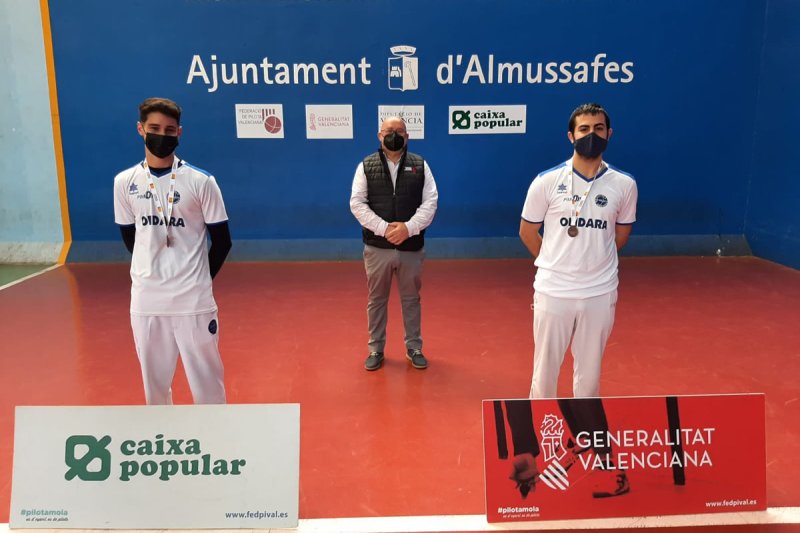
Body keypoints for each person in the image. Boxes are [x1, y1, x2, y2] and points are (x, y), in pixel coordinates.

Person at [113, 97, 232, 404]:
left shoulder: (202, 181)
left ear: (179, 133)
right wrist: (151, 270)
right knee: (154, 391)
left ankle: (215, 444)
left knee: (208, 390)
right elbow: (132, 238)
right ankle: (165, 443)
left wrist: (198, 279)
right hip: (147, 301)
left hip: (193, 302)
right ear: (140, 129)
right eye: (154, 128)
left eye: (169, 130)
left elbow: (222, 242)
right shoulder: (124, 183)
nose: (161, 135)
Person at [519, 103, 637, 399]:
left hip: (599, 291)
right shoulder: (546, 181)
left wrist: (592, 260)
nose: (591, 135)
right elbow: (527, 232)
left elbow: (619, 237)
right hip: (553, 291)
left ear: (609, 134)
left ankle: (584, 433)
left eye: (598, 129)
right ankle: (539, 432)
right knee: (544, 371)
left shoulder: (624, 184)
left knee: (590, 374)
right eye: (584, 129)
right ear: (571, 136)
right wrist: (554, 262)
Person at [350, 116, 438, 371]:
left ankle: (414, 347)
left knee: (411, 300)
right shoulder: (365, 166)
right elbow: (357, 203)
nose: (394, 135)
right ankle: (375, 349)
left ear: (407, 136)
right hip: (377, 248)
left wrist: (408, 229)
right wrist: (385, 229)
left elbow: (430, 202)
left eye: (400, 131)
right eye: (389, 131)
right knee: (376, 300)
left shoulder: (420, 165)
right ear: (379, 135)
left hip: (411, 247)